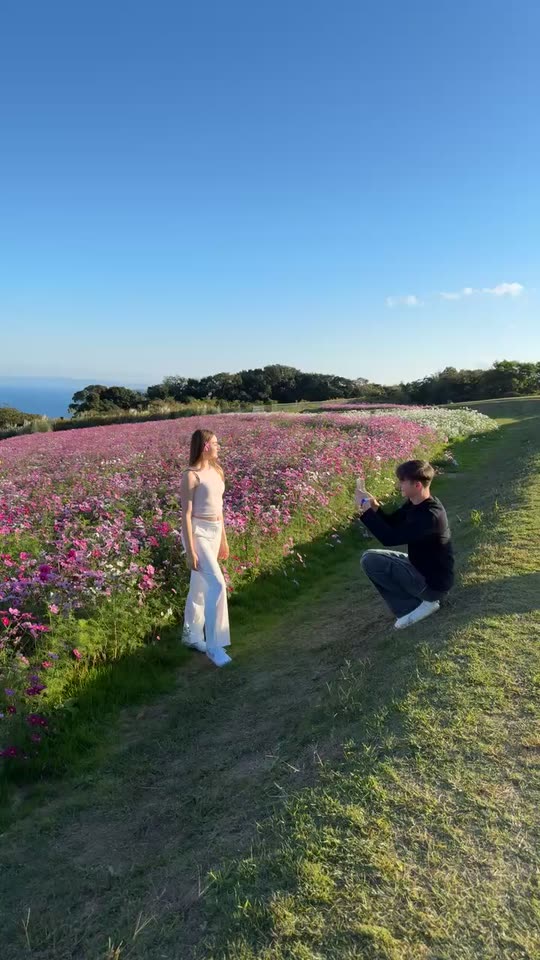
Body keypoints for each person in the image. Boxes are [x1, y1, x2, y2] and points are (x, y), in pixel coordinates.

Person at [356, 459, 454, 629]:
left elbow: (390, 538)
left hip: (433, 585)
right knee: (369, 557)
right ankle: (415, 602)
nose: (398, 484)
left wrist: (366, 511)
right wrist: (374, 507)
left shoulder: (430, 515)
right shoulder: (415, 504)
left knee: (371, 561)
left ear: (417, 485)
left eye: (402, 481)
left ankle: (414, 606)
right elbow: (393, 524)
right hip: (421, 570)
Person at [180, 429, 231, 667]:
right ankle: (214, 646)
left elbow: (219, 509)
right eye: (215, 443)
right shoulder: (190, 475)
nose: (219, 447)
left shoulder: (217, 471)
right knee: (218, 585)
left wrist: (223, 539)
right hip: (198, 533)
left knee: (200, 586)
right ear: (205, 446)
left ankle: (191, 636)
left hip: (215, 530)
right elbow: (186, 515)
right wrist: (190, 551)